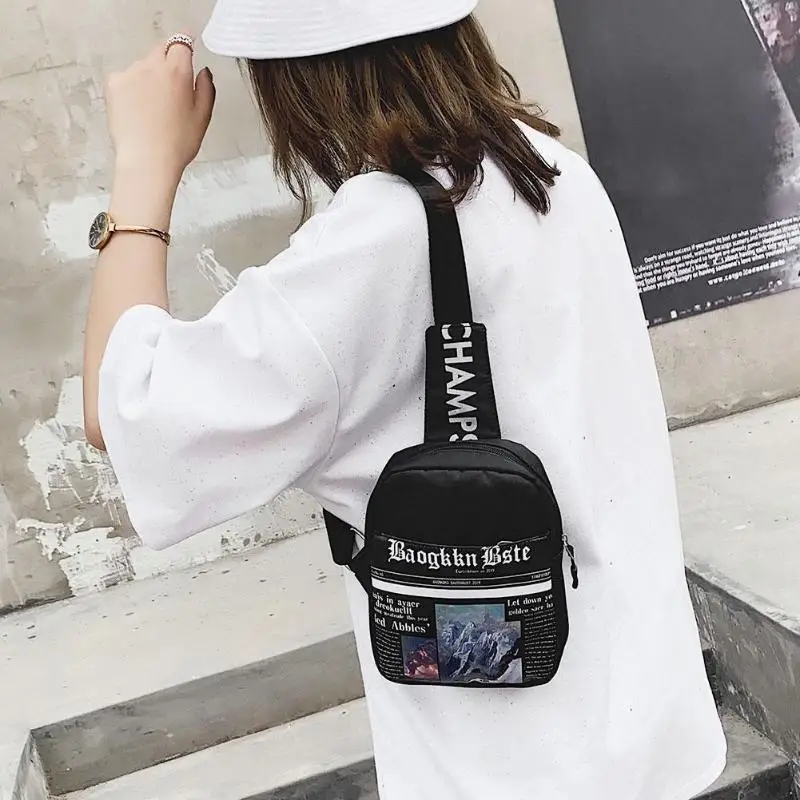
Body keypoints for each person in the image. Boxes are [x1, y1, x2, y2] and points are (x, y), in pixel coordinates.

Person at [82, 1, 727, 798]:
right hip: (643, 720)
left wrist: (143, 169)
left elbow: (129, 411)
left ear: (293, 78)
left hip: (508, 767)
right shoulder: (546, 167)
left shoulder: (373, 246)